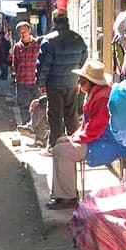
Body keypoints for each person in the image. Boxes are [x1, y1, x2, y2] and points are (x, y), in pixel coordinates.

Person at [47, 59, 114, 210]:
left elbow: (95, 128)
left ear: (90, 81)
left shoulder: (102, 98)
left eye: (82, 79)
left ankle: (67, 197)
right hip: (96, 138)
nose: (79, 81)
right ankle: (64, 193)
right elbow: (86, 126)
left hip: (104, 142)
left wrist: (73, 139)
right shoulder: (94, 94)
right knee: (60, 143)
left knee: (62, 150)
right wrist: (71, 138)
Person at [37, 9, 88, 149]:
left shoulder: (49, 40)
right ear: (67, 21)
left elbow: (43, 65)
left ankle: (56, 146)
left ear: (54, 21)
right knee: (71, 115)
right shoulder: (78, 39)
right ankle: (75, 144)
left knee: (55, 115)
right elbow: (84, 60)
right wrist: (79, 80)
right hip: (72, 83)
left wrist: (41, 83)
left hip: (54, 84)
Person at [12, 22, 40, 126]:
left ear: (29, 31)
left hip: (35, 80)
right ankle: (25, 125)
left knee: (37, 105)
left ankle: (35, 126)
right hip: (22, 81)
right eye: (20, 32)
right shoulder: (17, 47)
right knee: (23, 105)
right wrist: (15, 76)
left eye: (24, 31)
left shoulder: (37, 44)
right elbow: (15, 63)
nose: (23, 34)